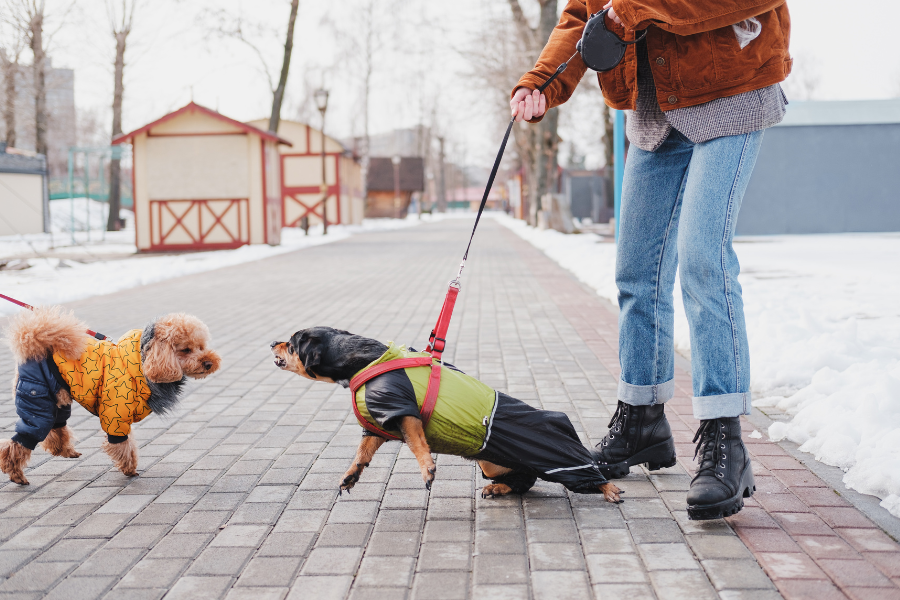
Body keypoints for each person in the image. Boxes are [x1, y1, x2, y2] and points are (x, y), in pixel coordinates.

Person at [511, 0, 791, 520]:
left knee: (704, 260)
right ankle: (641, 419)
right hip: (653, 106)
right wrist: (543, 82)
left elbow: (624, 11)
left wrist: (630, 12)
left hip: (730, 89)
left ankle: (723, 436)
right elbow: (584, 15)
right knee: (637, 272)